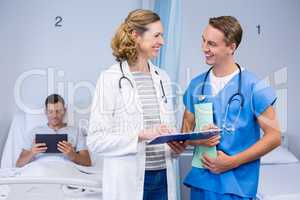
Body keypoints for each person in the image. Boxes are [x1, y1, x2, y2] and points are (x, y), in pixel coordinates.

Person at [177, 16, 281, 199]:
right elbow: (184, 136)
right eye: (203, 40)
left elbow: (274, 137)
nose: (204, 48)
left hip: (236, 186)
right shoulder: (196, 85)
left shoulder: (254, 87)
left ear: (231, 47)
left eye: (212, 44)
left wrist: (232, 162)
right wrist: (199, 139)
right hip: (201, 184)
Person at [88, 9, 178, 200]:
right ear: (136, 36)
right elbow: (96, 140)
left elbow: (166, 129)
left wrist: (175, 144)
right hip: (128, 178)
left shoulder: (162, 78)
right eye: (156, 35)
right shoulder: (110, 79)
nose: (162, 41)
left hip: (162, 177)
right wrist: (139, 136)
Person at [16, 94, 92, 167]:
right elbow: (19, 164)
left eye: (58, 111)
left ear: (64, 111)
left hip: (66, 170)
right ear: (45, 111)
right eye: (50, 111)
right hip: (40, 170)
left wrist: (73, 155)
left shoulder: (76, 131)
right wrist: (32, 153)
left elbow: (88, 162)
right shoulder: (34, 132)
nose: (55, 115)